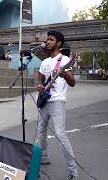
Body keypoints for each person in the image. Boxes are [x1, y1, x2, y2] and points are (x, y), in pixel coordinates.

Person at [37, 30, 78, 180]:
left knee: (61, 134)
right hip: (44, 100)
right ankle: (44, 156)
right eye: (47, 39)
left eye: (51, 40)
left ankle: (73, 173)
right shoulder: (44, 62)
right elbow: (40, 80)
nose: (47, 42)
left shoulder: (66, 60)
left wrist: (65, 74)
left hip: (57, 100)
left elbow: (72, 83)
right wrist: (40, 86)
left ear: (59, 43)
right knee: (41, 131)